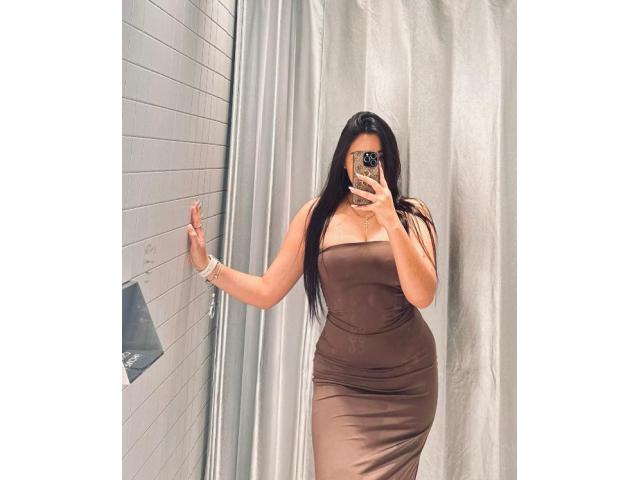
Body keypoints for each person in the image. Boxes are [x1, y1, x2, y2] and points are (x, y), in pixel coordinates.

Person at [187, 111, 439, 479]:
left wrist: (390, 220)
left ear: (390, 161)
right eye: (359, 157)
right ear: (344, 162)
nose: (368, 166)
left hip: (408, 384)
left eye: (377, 157)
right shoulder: (316, 216)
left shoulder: (412, 215)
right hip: (342, 382)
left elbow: (423, 295)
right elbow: (267, 290)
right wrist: (207, 266)